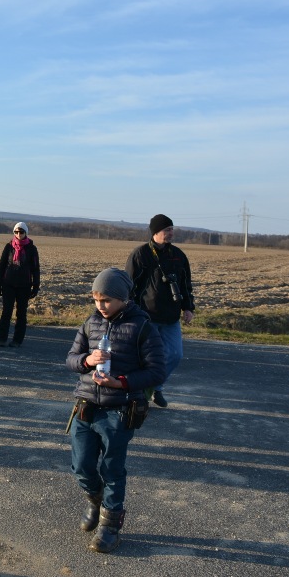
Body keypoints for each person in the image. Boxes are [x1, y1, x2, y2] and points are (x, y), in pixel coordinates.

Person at [66, 268, 165, 553]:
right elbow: (71, 359)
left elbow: (156, 371)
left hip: (119, 411)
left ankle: (110, 526)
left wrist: (120, 382)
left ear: (123, 298)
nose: (100, 305)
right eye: (96, 299)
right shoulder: (91, 323)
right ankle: (95, 499)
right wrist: (87, 360)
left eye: (107, 300)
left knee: (112, 469)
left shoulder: (142, 327)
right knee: (81, 466)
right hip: (86, 406)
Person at [124, 214, 195, 408]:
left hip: (171, 318)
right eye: (167, 230)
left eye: (172, 229)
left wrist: (188, 307)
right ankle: (140, 392)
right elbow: (129, 285)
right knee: (146, 357)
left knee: (175, 354)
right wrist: (129, 310)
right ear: (156, 232)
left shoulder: (178, 255)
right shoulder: (141, 254)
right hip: (147, 317)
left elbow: (185, 284)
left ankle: (156, 387)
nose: (171, 233)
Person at [0, 222, 40, 348]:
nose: (19, 234)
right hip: (8, 284)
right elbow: (1, 265)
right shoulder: (9, 247)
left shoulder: (32, 249)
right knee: (6, 312)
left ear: (26, 233)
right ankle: (1, 338)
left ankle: (17, 340)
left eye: (21, 232)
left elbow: (35, 268)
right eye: (16, 232)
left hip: (24, 285)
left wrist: (36, 285)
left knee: (21, 314)